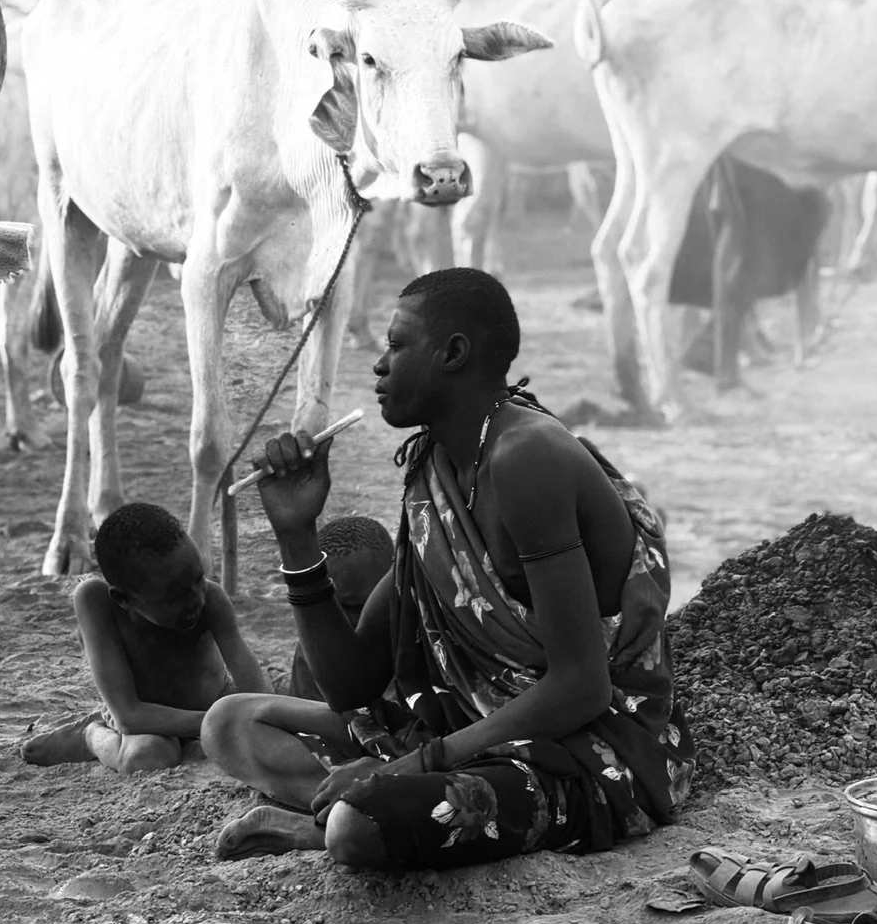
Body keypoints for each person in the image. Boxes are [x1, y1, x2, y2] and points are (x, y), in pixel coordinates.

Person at [202, 269, 694, 869]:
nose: (380, 365)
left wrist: (423, 763)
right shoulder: (434, 467)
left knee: (358, 830)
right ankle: (358, 801)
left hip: (589, 750)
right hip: (470, 729)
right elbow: (353, 684)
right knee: (230, 722)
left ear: (454, 353)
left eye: (396, 344)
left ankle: (341, 814)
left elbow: (582, 686)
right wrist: (297, 534)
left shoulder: (527, 457)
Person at [22, 502, 270, 773]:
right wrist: (223, 720)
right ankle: (92, 736)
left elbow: (259, 695)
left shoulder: (213, 601)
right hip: (144, 719)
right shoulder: (95, 600)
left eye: (198, 580)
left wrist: (242, 715)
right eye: (175, 596)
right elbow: (129, 716)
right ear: (123, 599)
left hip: (209, 705)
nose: (196, 599)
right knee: (146, 758)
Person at [285, 515, 395, 699]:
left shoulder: (414, 637)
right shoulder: (316, 648)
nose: (347, 620)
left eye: (358, 607)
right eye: (334, 608)